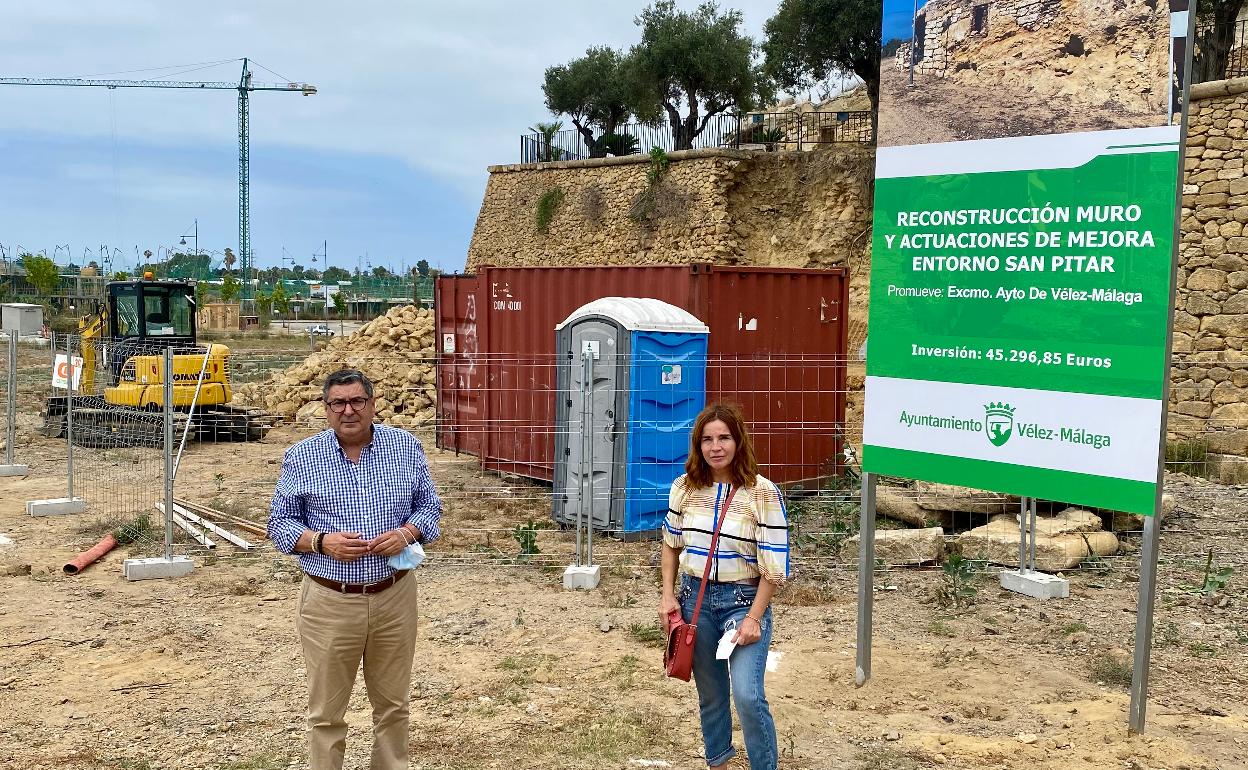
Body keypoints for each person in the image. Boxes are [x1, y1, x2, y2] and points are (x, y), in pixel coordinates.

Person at [269, 368, 441, 770]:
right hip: (330, 600)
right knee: (326, 714)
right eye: (338, 403)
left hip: (394, 594)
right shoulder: (303, 456)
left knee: (394, 705)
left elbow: (430, 509)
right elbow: (279, 524)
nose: (349, 411)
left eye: (357, 401)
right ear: (326, 410)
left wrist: (407, 532)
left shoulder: (405, 447)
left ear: (373, 404)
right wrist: (320, 541)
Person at [659, 402, 790, 770]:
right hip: (695, 599)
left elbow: (774, 567)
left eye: (724, 438)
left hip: (743, 601)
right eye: (707, 439)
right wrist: (668, 595)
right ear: (698, 445)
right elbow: (670, 543)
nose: (716, 447)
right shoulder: (684, 488)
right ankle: (718, 763)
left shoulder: (762, 493)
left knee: (748, 695)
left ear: (738, 441)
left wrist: (754, 618)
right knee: (712, 696)